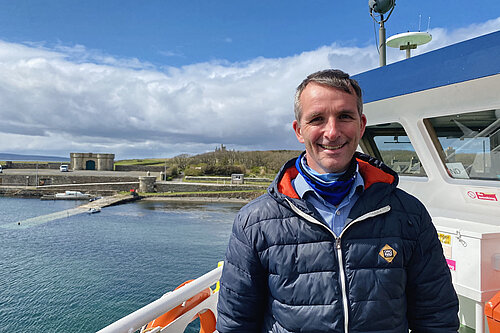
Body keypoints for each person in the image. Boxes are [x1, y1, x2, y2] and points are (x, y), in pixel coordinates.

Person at [216, 69, 459, 332]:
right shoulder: (255, 221)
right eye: (317, 119)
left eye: (344, 116)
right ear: (299, 130)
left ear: (361, 125)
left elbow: (436, 316)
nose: (332, 132)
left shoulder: (408, 214)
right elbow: (236, 323)